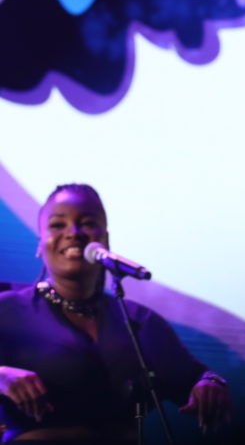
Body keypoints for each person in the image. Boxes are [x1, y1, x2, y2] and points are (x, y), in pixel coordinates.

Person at [0, 184, 231, 443]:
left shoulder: (139, 321)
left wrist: (210, 384)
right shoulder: (7, 310)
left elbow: (194, 377)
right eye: (57, 225)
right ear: (40, 244)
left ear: (105, 240)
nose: (73, 233)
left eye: (87, 223)